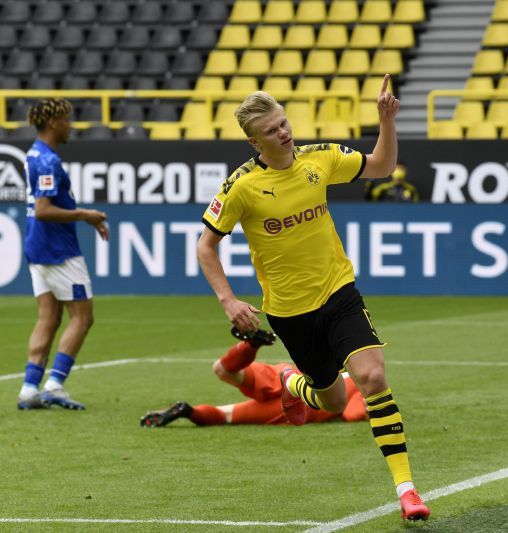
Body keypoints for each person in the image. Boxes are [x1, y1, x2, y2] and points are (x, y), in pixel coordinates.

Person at [196, 74, 430, 521]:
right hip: (289, 313)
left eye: (283, 122)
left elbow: (380, 167)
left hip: (339, 292)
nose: (283, 132)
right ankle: (291, 384)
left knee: (373, 377)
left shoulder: (320, 159)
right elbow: (205, 246)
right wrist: (228, 300)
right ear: (254, 141)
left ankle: (407, 490)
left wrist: (386, 121)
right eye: (271, 130)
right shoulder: (241, 186)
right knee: (333, 402)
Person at [17, 99, 109, 411]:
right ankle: (54, 384)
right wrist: (85, 214)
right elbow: (43, 210)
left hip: (37, 246)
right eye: (67, 120)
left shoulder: (35, 153)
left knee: (49, 317)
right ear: (54, 122)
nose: (71, 126)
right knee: (82, 317)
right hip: (58, 250)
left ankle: (30, 389)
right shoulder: (47, 162)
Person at [140, 328, 367, 428]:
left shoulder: (329, 366)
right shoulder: (360, 384)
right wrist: (370, 409)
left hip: (286, 374)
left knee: (222, 369)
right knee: (225, 416)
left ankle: (250, 345)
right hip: (297, 406)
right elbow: (351, 414)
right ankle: (189, 411)